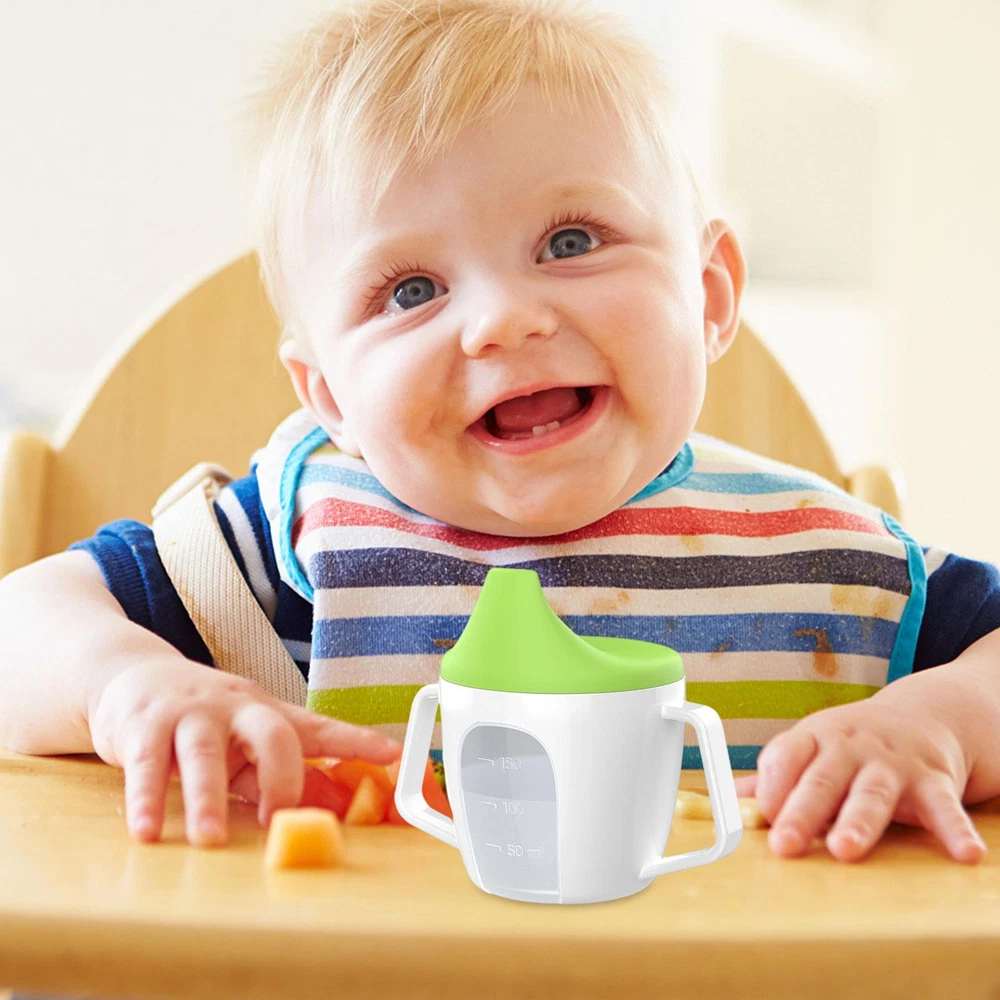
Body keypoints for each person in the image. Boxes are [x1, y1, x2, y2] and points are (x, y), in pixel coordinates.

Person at [2, 0, 999, 866]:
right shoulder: (283, 557)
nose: (501, 320)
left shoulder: (819, 564)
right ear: (331, 398)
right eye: (411, 290)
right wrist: (129, 686)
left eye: (570, 241)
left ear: (707, 296)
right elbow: (21, 630)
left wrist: (937, 722)